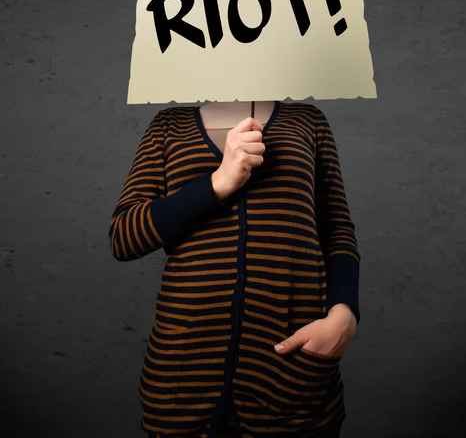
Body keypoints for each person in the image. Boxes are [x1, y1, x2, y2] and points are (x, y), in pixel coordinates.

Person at [108, 100, 360, 438]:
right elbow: (124, 237)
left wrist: (344, 316)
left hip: (291, 372)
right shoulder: (168, 125)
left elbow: (337, 230)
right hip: (183, 378)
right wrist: (218, 182)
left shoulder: (308, 120)